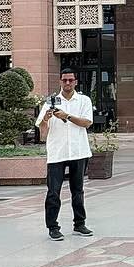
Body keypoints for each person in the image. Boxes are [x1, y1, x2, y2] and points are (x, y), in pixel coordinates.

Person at [35, 68, 94, 242]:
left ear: (75, 81)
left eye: (70, 80)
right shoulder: (50, 102)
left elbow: (87, 123)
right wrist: (46, 119)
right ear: (60, 81)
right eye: (64, 80)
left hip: (78, 151)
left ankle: (79, 223)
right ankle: (52, 227)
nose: (67, 83)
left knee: (78, 190)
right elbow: (42, 133)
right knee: (53, 191)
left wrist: (66, 116)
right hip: (57, 153)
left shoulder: (83, 100)